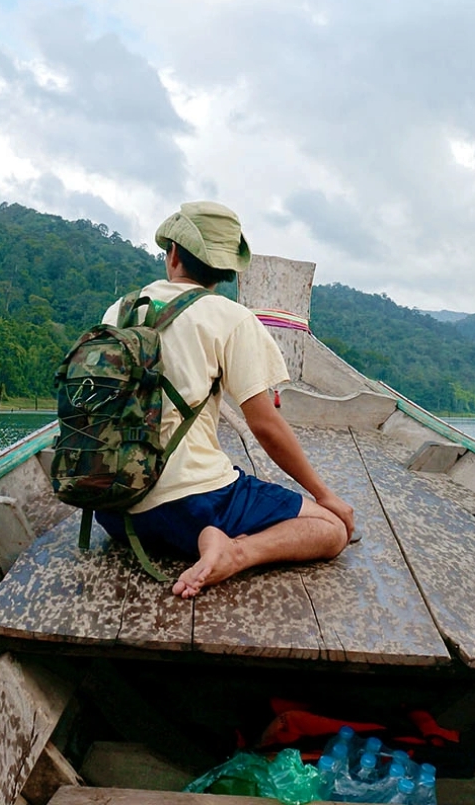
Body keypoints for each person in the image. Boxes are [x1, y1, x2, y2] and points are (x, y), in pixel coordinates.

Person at [94, 201, 353, 598]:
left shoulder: (122, 310)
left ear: (173, 254)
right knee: (330, 529)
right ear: (226, 269)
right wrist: (325, 495)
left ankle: (210, 538)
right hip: (191, 505)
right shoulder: (230, 318)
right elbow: (265, 426)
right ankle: (236, 551)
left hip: (113, 508)